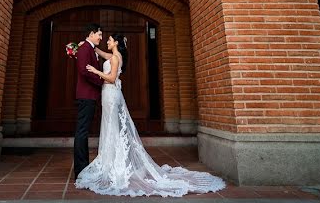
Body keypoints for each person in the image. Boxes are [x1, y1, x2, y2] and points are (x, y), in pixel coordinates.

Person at [75, 33, 226, 197]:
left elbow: (111, 78)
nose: (107, 41)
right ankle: (110, 162)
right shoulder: (113, 55)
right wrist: (87, 44)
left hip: (111, 95)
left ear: (116, 42)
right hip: (109, 95)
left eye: (110, 40)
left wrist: (96, 71)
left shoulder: (116, 57)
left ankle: (115, 166)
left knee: (112, 128)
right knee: (111, 128)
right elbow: (101, 54)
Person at [73, 23, 104, 177]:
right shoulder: (85, 48)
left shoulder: (88, 48)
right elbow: (84, 71)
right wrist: (101, 81)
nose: (101, 37)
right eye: (99, 34)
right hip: (86, 96)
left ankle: (83, 167)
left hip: (89, 96)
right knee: (82, 132)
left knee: (83, 131)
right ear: (92, 33)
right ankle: (80, 169)